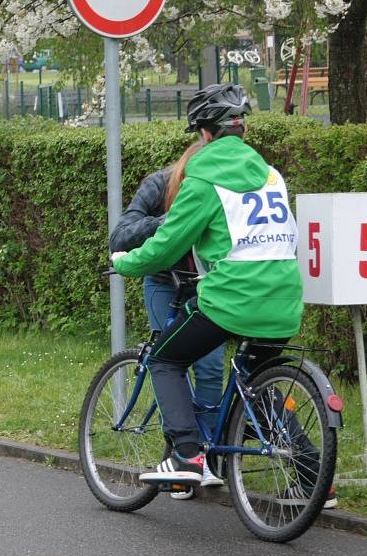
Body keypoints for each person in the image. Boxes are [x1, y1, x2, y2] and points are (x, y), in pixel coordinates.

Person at [112, 83, 336, 508]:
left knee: (166, 359)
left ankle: (188, 456)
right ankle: (314, 477)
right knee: (256, 385)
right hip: (285, 300)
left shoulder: (202, 181)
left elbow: (166, 247)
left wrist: (124, 263)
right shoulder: (271, 175)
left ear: (204, 133)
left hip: (232, 300)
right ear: (241, 130)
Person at [109, 142, 225, 496]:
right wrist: (171, 220)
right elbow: (121, 234)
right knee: (170, 363)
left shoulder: (221, 187)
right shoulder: (158, 185)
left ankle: (206, 455)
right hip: (165, 284)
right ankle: (182, 453)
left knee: (210, 367)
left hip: (209, 286)